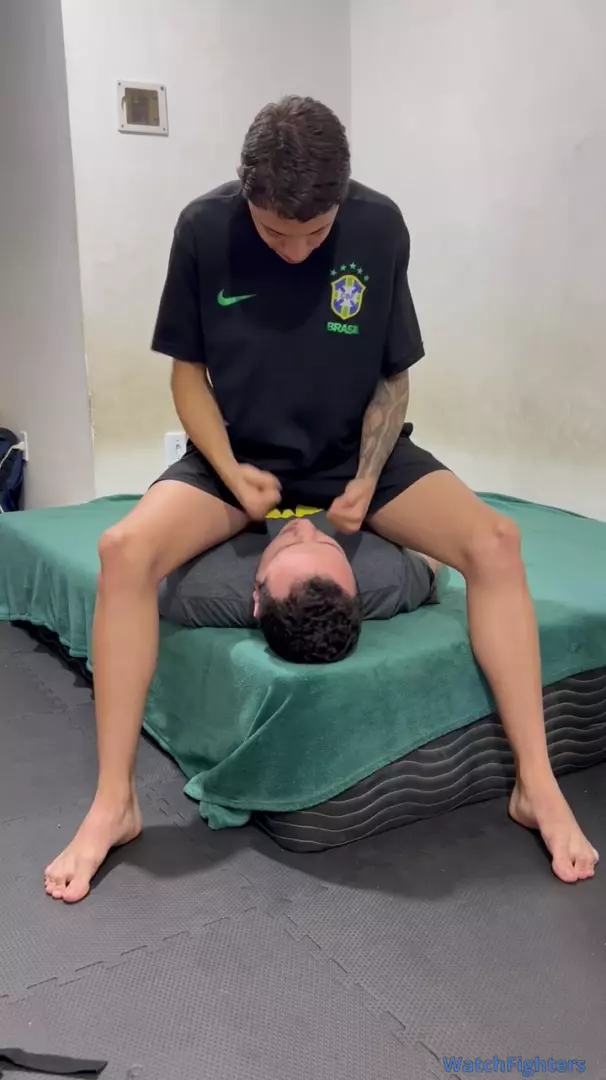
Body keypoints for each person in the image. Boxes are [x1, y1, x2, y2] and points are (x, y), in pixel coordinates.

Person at [44, 95, 598, 903]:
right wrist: (230, 472)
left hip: (352, 456)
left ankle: (536, 785)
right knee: (122, 551)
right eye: (279, 235)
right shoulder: (203, 229)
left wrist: (369, 477)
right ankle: (114, 803)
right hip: (240, 457)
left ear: (342, 199)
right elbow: (187, 376)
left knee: (497, 543)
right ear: (247, 196)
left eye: (317, 233)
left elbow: (394, 377)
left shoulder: (380, 226)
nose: (300, 251)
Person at [158, 512, 440, 663]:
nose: (304, 527)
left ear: (257, 598)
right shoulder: (387, 575)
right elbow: (434, 554)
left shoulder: (193, 586)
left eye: (288, 547)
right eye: (328, 543)